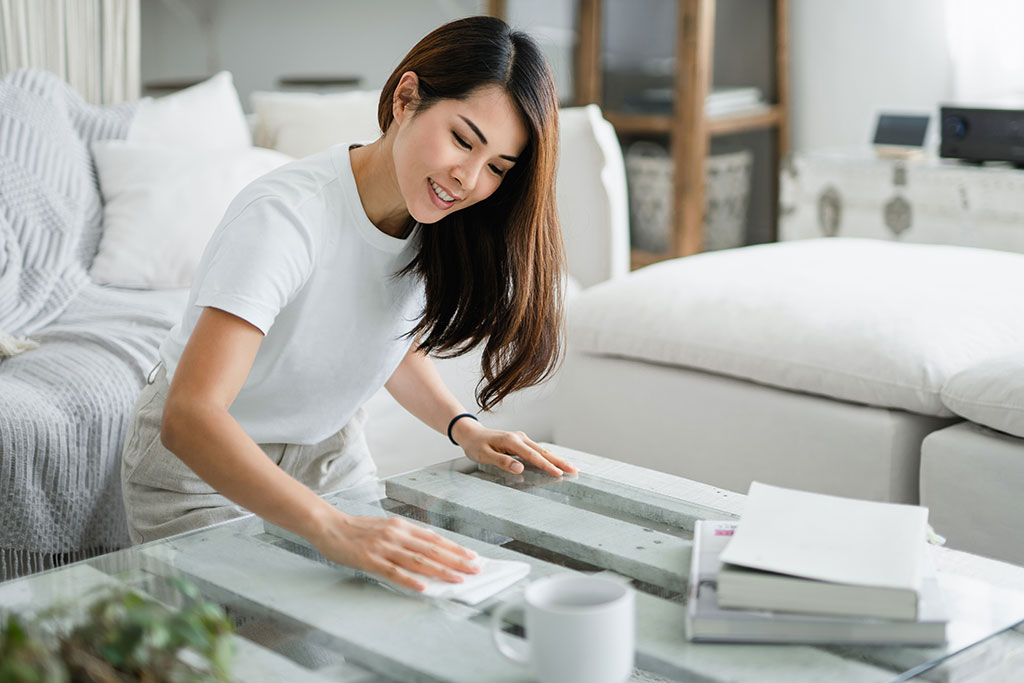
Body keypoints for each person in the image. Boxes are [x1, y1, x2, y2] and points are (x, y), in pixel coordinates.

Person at [120, 16, 577, 592]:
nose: (468, 179)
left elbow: (388, 337)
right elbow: (189, 417)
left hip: (327, 455)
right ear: (406, 97)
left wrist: (464, 427)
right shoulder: (285, 217)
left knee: (403, 607)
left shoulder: (433, 223)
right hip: (202, 473)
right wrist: (331, 528)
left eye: (496, 169)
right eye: (463, 140)